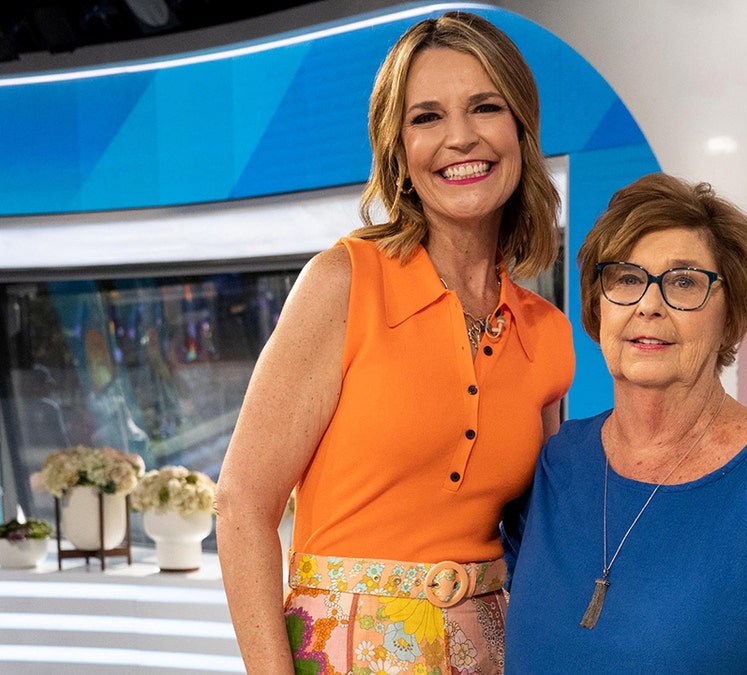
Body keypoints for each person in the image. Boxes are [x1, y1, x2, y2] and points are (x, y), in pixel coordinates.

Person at [216, 11, 574, 675]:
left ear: (520, 129)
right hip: (342, 652)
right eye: (427, 117)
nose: (460, 137)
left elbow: (544, 541)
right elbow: (242, 504)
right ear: (398, 149)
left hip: (492, 652)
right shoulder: (343, 282)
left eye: (485, 106)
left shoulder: (549, 334)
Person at [504, 173, 747, 673]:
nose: (648, 305)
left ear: (731, 317)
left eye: (684, 282)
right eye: (626, 278)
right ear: (598, 306)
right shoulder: (558, 459)